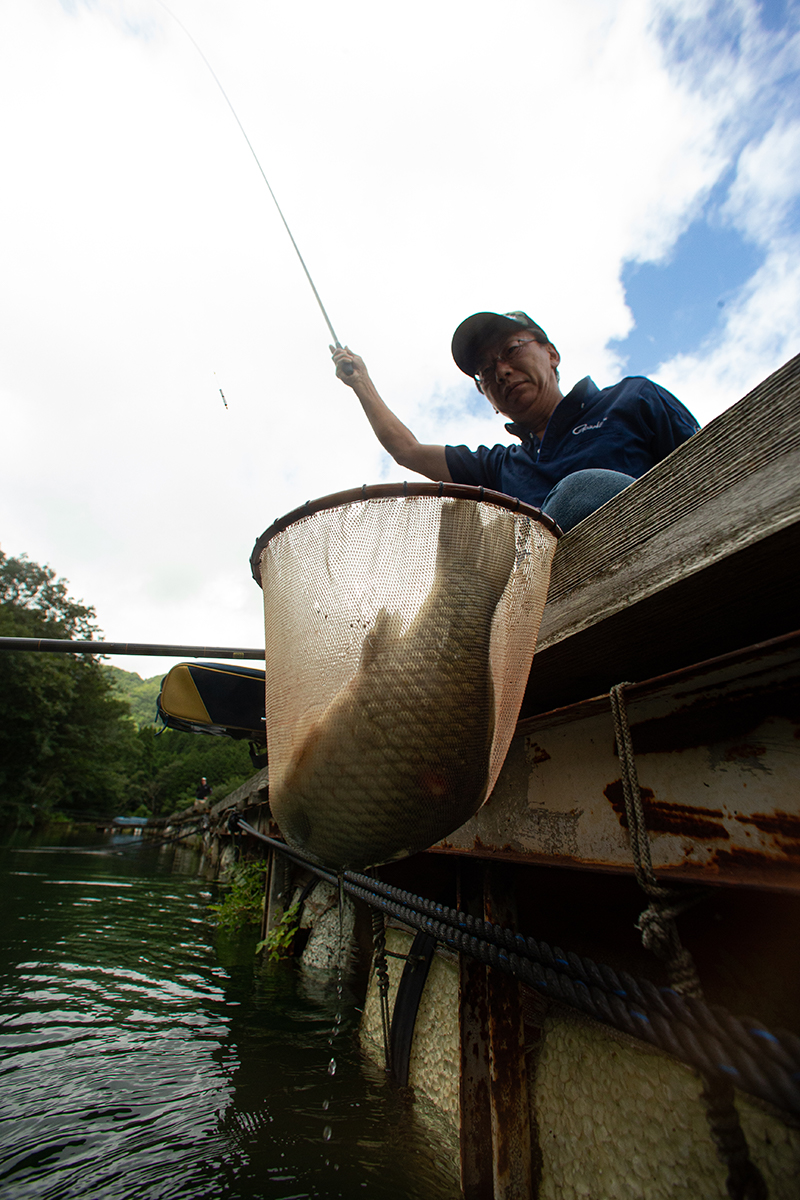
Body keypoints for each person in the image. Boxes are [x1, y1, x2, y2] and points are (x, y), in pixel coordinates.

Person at [331, 311, 699, 531]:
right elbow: (406, 450)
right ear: (487, 398)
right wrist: (360, 382)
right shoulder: (502, 467)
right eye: (486, 372)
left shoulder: (632, 398)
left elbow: (705, 468)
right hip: (550, 615)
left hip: (656, 559)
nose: (502, 372)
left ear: (551, 354)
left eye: (511, 350)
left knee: (579, 493)